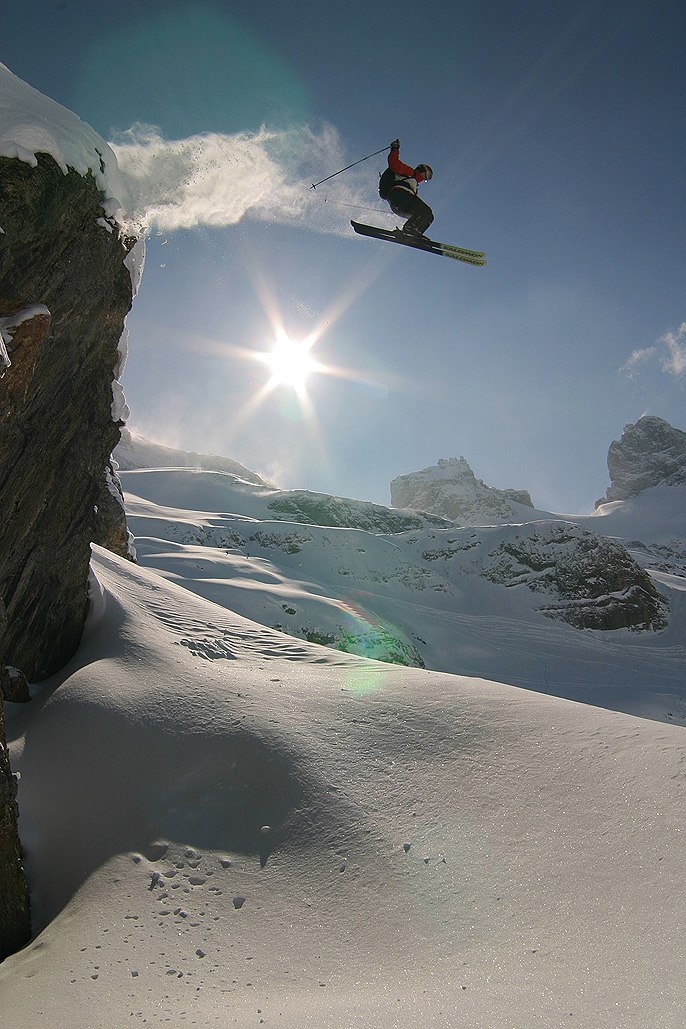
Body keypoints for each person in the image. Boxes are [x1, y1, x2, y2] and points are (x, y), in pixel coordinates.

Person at [385, 139, 434, 237]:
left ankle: (414, 233)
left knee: (429, 216)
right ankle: (410, 228)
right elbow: (394, 164)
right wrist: (395, 149)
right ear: (422, 170)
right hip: (399, 196)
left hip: (399, 205)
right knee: (426, 211)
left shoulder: (414, 186)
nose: (426, 179)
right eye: (427, 175)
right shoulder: (409, 172)